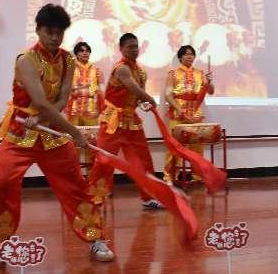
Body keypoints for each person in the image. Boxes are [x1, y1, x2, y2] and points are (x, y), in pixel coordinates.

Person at [0, 4, 113, 269]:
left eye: (59, 32)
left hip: (51, 134)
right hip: (20, 132)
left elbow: (62, 99)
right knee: (2, 185)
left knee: (76, 185)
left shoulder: (68, 60)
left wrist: (44, 119)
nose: (54, 37)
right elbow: (41, 101)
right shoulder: (26, 60)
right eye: (49, 32)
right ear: (38, 30)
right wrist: (74, 132)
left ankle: (96, 238)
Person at [86, 33, 163, 209]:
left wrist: (144, 103)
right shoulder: (121, 68)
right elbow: (133, 88)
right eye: (130, 47)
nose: (134, 50)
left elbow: (137, 97)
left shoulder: (141, 72)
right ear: (121, 49)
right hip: (112, 121)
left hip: (131, 120)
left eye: (136, 46)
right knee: (104, 160)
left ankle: (148, 197)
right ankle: (93, 199)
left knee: (143, 160)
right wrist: (150, 99)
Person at [162, 45, 214, 184]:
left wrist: (210, 81)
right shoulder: (173, 73)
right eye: (186, 54)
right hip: (178, 114)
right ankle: (169, 176)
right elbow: (168, 95)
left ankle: (197, 175)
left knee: (197, 146)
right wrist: (178, 108)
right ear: (180, 57)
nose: (190, 56)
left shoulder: (200, 73)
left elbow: (211, 91)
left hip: (195, 114)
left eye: (192, 54)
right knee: (174, 146)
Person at [66, 41, 104, 165]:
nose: (85, 53)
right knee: (73, 142)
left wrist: (102, 109)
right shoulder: (70, 69)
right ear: (76, 54)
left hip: (91, 110)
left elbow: (101, 90)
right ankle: (74, 171)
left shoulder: (96, 69)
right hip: (74, 110)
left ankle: (91, 172)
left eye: (87, 51)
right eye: (81, 51)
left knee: (92, 142)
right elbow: (66, 89)